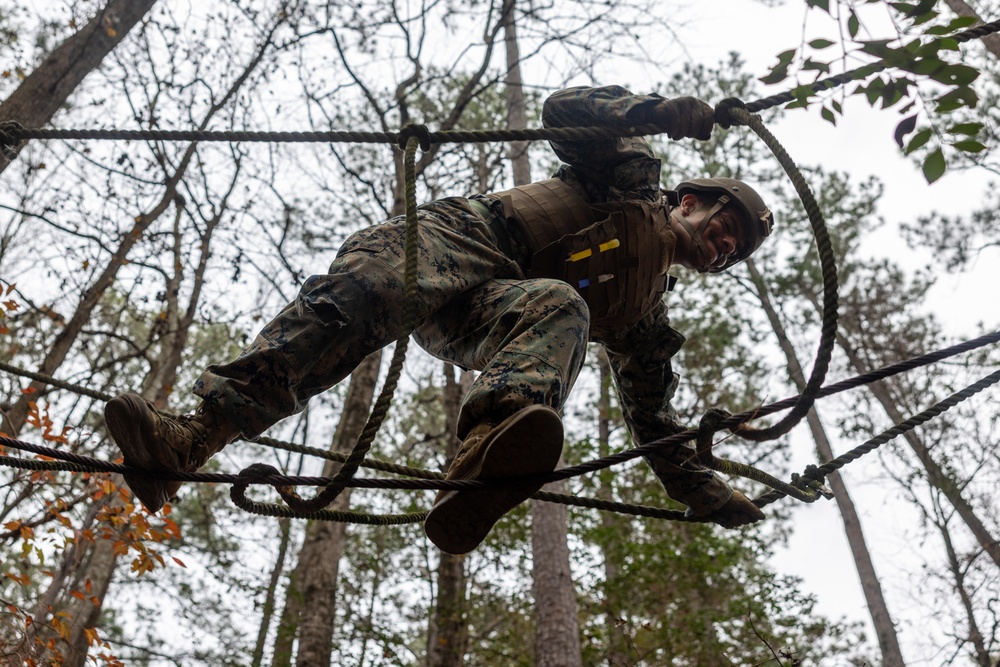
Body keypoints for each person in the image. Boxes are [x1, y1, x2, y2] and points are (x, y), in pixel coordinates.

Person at [104, 85, 773, 555]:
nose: (722, 247)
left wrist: (712, 496)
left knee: (563, 306)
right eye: (725, 227)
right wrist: (655, 113)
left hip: (490, 313)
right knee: (362, 297)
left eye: (732, 251)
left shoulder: (645, 321)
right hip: (470, 238)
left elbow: (657, 427)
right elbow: (564, 112)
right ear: (693, 199)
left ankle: (484, 457)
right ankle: (188, 440)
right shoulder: (631, 177)